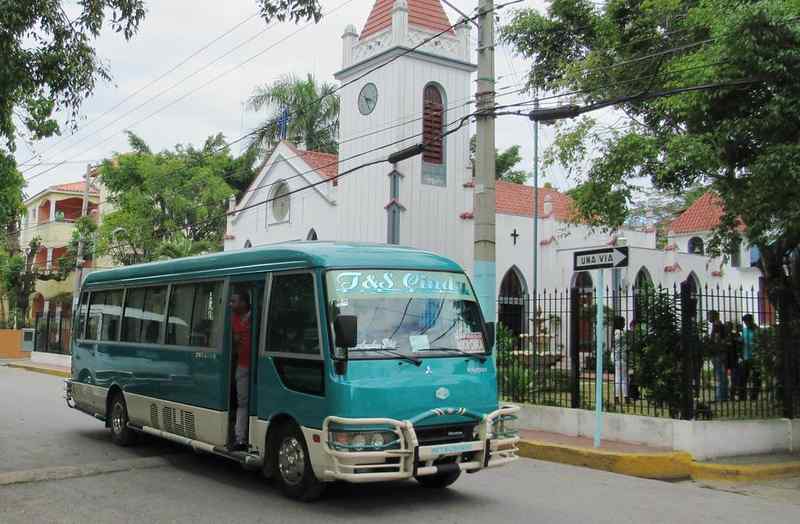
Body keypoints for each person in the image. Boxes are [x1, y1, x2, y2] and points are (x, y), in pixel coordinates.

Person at [230, 291, 252, 451]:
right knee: (242, 403)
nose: (230, 304)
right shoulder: (234, 318)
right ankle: (240, 438)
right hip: (243, 365)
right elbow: (235, 342)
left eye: (234, 301)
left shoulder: (255, 316)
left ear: (244, 303)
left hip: (256, 366)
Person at [738, 314, 761, 400]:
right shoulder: (744, 331)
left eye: (747, 321)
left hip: (756, 358)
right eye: (745, 322)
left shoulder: (757, 330)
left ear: (751, 321)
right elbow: (741, 342)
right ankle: (742, 396)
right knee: (743, 378)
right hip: (746, 357)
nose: (746, 323)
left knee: (756, 378)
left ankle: (754, 396)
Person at [708, 311, 729, 401]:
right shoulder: (720, 325)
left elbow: (717, 339)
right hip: (721, 352)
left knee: (720, 375)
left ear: (714, 316)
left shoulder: (717, 325)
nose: (708, 317)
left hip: (718, 353)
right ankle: (723, 395)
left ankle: (720, 396)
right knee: (722, 375)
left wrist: (712, 346)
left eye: (709, 315)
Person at [612, 316, 628, 403]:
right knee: (621, 378)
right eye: (623, 322)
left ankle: (621, 397)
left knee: (622, 378)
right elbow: (619, 342)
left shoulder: (617, 332)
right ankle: (620, 397)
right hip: (620, 357)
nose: (624, 324)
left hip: (620, 357)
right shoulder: (619, 332)